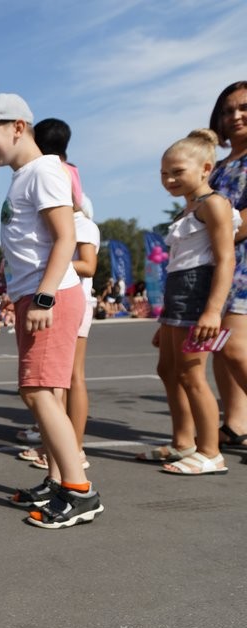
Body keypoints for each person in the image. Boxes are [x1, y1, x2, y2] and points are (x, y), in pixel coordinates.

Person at [0, 93, 102, 528]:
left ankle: (79, 491)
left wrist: (44, 296)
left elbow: (65, 238)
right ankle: (57, 480)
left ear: (18, 127)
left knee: (37, 390)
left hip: (49, 297)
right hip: (31, 295)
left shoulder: (44, 171)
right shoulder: (24, 175)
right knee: (45, 392)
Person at [136, 129, 235, 475]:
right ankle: (183, 442)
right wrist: (165, 322)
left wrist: (212, 310)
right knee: (167, 370)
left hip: (197, 295)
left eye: (177, 172)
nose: (169, 179)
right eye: (164, 173)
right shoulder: (187, 210)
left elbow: (225, 260)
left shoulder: (215, 204)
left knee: (192, 375)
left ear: (206, 168)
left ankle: (211, 452)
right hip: (178, 295)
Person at [22, 118, 100, 473]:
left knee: (65, 380)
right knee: (52, 387)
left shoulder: (80, 222)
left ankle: (74, 462)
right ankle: (58, 461)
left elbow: (87, 264)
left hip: (65, 299)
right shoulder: (46, 190)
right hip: (56, 296)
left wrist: (46, 280)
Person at [203, 82, 247, 451]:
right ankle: (235, 424)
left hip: (241, 262)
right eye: (228, 110)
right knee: (219, 346)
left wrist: (217, 238)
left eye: (244, 108)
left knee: (234, 347)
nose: (235, 116)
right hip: (216, 263)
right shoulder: (218, 165)